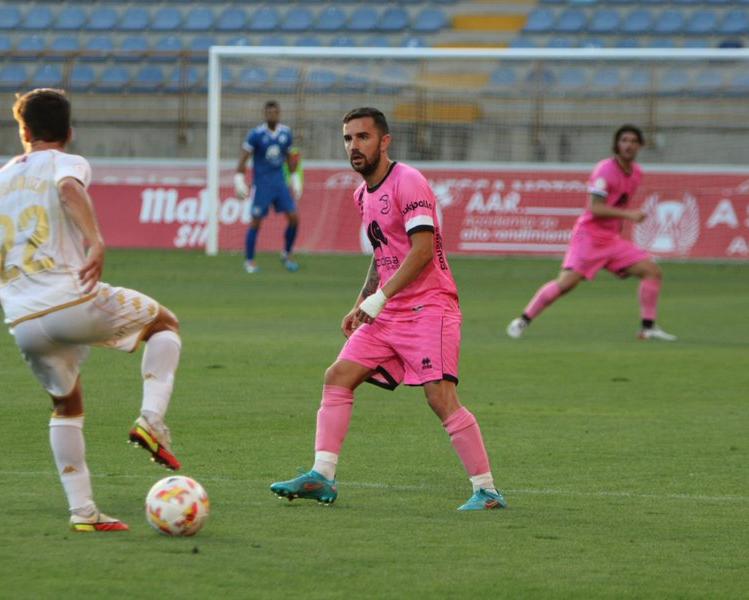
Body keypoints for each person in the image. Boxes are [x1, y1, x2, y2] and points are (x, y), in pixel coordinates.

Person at [270, 107, 506, 511]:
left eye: (362, 137)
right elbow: (383, 252)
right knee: (338, 376)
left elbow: (422, 251)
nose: (354, 146)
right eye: (348, 138)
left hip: (429, 306)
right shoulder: (362, 194)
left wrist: (379, 299)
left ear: (384, 141)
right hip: (389, 310)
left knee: (440, 397)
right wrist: (362, 301)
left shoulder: (408, 181)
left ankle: (487, 491)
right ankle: (322, 476)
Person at [0, 89, 183, 532]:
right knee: (164, 324)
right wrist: (96, 241)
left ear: (23, 131)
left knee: (66, 405)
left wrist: (16, 305)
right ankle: (151, 420)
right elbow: (68, 190)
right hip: (70, 299)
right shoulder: (66, 162)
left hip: (23, 320)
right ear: (69, 132)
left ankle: (83, 511)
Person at [506, 124, 676, 341]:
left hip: (611, 240)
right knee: (566, 283)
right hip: (589, 237)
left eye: (633, 141)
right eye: (624, 140)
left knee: (651, 270)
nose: (628, 145)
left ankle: (647, 328)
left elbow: (618, 202)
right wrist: (629, 215)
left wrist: (619, 224)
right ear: (616, 144)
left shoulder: (636, 173)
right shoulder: (605, 170)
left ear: (640, 145)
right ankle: (523, 320)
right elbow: (595, 208)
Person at [234, 100, 302, 274]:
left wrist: (294, 178)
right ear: (264, 114)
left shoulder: (285, 133)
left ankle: (286, 254)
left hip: (279, 184)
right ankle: (249, 260)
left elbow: (289, 156)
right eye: (269, 112)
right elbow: (244, 157)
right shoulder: (255, 134)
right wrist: (239, 179)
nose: (272, 115)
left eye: (275, 112)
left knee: (294, 218)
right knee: (255, 222)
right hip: (262, 185)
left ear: (279, 114)